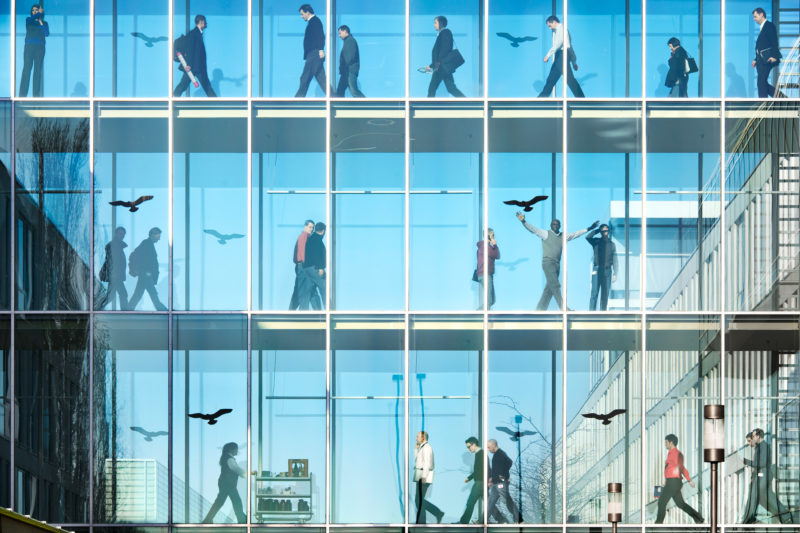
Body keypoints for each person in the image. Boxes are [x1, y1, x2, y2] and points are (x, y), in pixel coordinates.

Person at [517, 212, 599, 310]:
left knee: (549, 289)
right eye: (553, 224)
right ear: (550, 225)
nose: (555, 226)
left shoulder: (563, 236)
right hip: (548, 263)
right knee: (555, 285)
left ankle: (540, 310)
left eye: (557, 224)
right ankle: (564, 308)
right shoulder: (546, 234)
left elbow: (576, 234)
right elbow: (533, 229)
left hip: (556, 264)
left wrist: (589, 228)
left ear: (560, 226)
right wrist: (523, 221)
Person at [743, 428, 793, 523]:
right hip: (762, 475)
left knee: (757, 495)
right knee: (766, 497)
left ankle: (749, 519)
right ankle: (785, 516)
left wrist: (748, 462)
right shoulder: (760, 447)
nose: (752, 438)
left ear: (758, 436)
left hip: (764, 475)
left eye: (753, 436)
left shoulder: (764, 447)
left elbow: (762, 463)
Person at [655, 434, 703, 524]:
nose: (665, 444)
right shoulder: (670, 454)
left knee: (661, 502)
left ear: (671, 442)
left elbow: (681, 467)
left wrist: (689, 480)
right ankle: (699, 518)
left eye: (666, 442)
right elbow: (670, 470)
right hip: (671, 482)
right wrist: (666, 482)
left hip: (674, 482)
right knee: (680, 504)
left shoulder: (677, 454)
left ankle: (658, 523)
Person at [538, 16, 584, 98]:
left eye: (549, 25)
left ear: (554, 22)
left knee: (569, 79)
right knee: (551, 79)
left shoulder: (561, 29)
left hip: (562, 55)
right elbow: (570, 47)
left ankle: (582, 99)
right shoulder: (562, 29)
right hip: (561, 55)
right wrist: (574, 62)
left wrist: (548, 55)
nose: (549, 28)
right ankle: (541, 99)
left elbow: (558, 44)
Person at [173, 15, 217, 97]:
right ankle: (173, 100)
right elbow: (190, 49)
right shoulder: (193, 34)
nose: (206, 23)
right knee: (184, 84)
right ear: (201, 21)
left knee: (205, 85)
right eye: (205, 21)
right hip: (193, 67)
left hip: (197, 66)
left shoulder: (197, 34)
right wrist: (188, 64)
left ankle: (216, 102)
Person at [203, 442, 247, 523]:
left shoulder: (227, 457)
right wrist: (245, 473)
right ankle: (242, 519)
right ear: (232, 449)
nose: (237, 451)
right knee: (236, 501)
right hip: (228, 484)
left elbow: (234, 468)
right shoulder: (229, 459)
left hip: (225, 483)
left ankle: (208, 519)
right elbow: (235, 468)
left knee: (221, 502)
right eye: (236, 449)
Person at [423, 16, 465, 98]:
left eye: (435, 22)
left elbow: (445, 50)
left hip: (441, 66)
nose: (434, 25)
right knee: (451, 88)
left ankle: (427, 106)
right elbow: (441, 52)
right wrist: (432, 65)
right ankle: (467, 102)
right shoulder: (442, 34)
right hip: (442, 66)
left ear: (441, 23)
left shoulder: (445, 32)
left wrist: (436, 64)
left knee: (432, 88)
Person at [128, 227, 168, 311]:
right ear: (153, 235)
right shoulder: (147, 243)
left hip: (145, 274)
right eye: (158, 236)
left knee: (138, 294)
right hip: (146, 274)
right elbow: (147, 260)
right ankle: (164, 312)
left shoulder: (147, 244)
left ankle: (127, 310)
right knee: (152, 295)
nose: (159, 238)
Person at [487, 439, 521, 524]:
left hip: (500, 483)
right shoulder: (496, 454)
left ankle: (519, 519)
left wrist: (503, 475)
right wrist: (492, 478)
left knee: (507, 501)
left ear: (494, 445)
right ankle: (482, 520)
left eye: (489, 447)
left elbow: (509, 462)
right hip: (496, 483)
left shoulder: (500, 454)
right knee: (490, 502)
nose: (488, 449)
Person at [296, 4, 326, 97]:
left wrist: (321, 49)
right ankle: (334, 98)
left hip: (314, 54)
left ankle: (297, 101)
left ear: (307, 12)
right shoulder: (313, 22)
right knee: (322, 80)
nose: (302, 16)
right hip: (314, 54)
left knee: (304, 78)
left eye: (302, 14)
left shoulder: (315, 21)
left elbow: (320, 36)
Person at [414, 431, 444, 524]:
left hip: (423, 476)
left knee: (419, 500)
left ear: (423, 438)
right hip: (420, 474)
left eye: (417, 437)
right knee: (419, 500)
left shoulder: (427, 448)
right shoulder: (422, 448)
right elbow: (418, 462)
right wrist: (416, 450)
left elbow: (428, 463)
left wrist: (424, 476)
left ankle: (423, 521)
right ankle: (437, 513)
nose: (416, 438)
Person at [585, 223, 618, 311]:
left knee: (605, 294)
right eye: (603, 231)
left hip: (607, 271)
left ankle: (603, 313)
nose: (605, 232)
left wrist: (615, 273)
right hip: (597, 269)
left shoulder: (612, 244)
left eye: (606, 230)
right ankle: (591, 313)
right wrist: (597, 230)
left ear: (608, 231)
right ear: (601, 232)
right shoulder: (596, 242)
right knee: (594, 292)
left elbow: (615, 260)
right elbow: (588, 237)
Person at [19, 4, 49, 97]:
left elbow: (46, 33)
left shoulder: (44, 23)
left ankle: (36, 96)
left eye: (37, 10)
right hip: (29, 47)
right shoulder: (29, 20)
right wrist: (38, 14)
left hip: (40, 48)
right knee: (26, 70)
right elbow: (31, 19)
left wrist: (40, 21)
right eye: (33, 10)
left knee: (37, 71)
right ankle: (22, 95)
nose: (35, 12)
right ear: (31, 12)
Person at [751, 8, 782, 98]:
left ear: (761, 15)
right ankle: (782, 99)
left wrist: (774, 56)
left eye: (755, 16)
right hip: (761, 60)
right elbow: (762, 46)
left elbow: (774, 41)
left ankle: (763, 103)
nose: (754, 19)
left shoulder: (769, 26)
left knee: (761, 82)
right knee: (763, 83)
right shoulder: (763, 27)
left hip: (768, 59)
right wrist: (756, 59)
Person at [98, 227, 130, 310]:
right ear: (116, 234)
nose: (122, 235)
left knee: (111, 296)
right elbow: (111, 261)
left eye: (123, 234)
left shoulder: (117, 246)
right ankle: (125, 312)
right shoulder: (114, 245)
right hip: (115, 275)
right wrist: (114, 275)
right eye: (120, 233)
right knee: (122, 294)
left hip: (115, 275)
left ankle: (97, 307)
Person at [289, 220, 319, 310]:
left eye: (312, 228)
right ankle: (303, 315)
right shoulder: (305, 236)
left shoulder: (302, 237)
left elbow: (296, 254)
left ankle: (320, 315)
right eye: (310, 227)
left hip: (301, 266)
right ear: (305, 227)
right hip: (305, 267)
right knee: (305, 291)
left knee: (310, 290)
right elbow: (302, 252)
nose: (311, 229)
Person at [299, 222, 326, 310]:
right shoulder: (317, 240)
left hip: (307, 268)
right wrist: (320, 268)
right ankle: (329, 311)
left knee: (311, 291)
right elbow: (316, 255)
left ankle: (316, 313)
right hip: (314, 268)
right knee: (323, 288)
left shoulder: (311, 239)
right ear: (323, 231)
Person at [459, 436, 484, 524]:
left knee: (470, 502)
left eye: (469, 446)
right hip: (481, 482)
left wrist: (470, 478)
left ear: (474, 444)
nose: (468, 449)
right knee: (490, 503)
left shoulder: (481, 454)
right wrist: (469, 478)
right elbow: (478, 470)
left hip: (480, 482)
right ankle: (502, 519)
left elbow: (481, 470)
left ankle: (463, 522)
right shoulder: (479, 454)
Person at [335, 25, 364, 97]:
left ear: (345, 31)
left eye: (340, 33)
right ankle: (339, 107)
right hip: (345, 72)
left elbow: (349, 57)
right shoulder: (347, 41)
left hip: (349, 71)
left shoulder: (350, 41)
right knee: (340, 92)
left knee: (354, 91)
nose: (339, 35)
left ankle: (367, 105)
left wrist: (344, 66)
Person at [476, 229, 500, 310]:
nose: (494, 237)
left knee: (492, 300)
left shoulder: (485, 247)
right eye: (493, 235)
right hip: (485, 274)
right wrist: (495, 245)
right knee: (489, 300)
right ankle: (481, 316)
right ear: (488, 236)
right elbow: (497, 255)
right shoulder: (485, 247)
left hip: (486, 274)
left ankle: (479, 312)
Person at [740, 432, 758, 522]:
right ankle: (749, 518)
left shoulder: (760, 449)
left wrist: (746, 461)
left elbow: (758, 464)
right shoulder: (755, 449)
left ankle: (749, 518)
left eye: (749, 441)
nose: (748, 443)